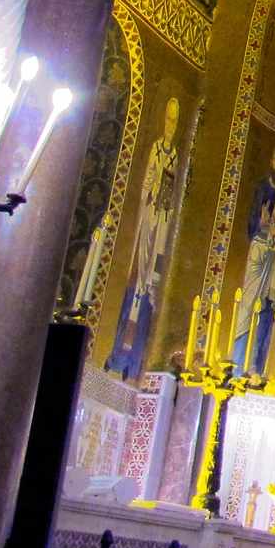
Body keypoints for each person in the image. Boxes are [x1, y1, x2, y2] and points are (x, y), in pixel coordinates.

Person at [104, 100, 182, 379]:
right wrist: (155, 191)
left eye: (174, 121)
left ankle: (135, 361)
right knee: (137, 282)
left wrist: (165, 205)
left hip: (162, 225)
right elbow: (148, 185)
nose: (170, 126)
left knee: (150, 288)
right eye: (168, 120)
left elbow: (173, 195)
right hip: (148, 221)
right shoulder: (157, 149)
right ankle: (118, 354)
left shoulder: (175, 156)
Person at [229, 147, 275, 377]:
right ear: (270, 162)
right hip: (258, 249)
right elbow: (252, 220)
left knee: (267, 305)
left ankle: (257, 367)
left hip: (274, 257)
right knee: (248, 303)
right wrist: (261, 222)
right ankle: (236, 364)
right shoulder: (262, 187)